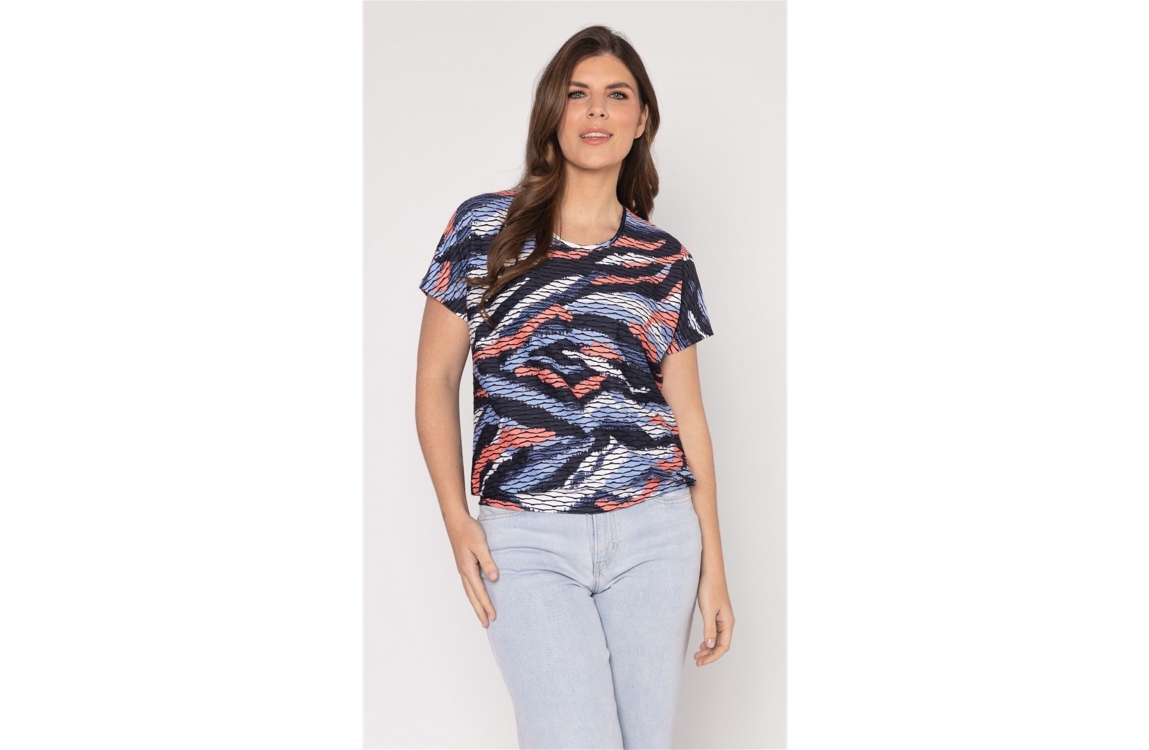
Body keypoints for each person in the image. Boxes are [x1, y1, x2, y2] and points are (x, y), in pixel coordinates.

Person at [414, 25, 734, 749]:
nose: (596, 111)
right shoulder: (483, 228)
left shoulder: (664, 261)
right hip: (525, 537)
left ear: (640, 119)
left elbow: (688, 416)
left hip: (656, 534)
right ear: (552, 112)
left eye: (616, 95)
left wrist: (714, 568)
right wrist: (456, 519)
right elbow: (435, 377)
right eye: (578, 94)